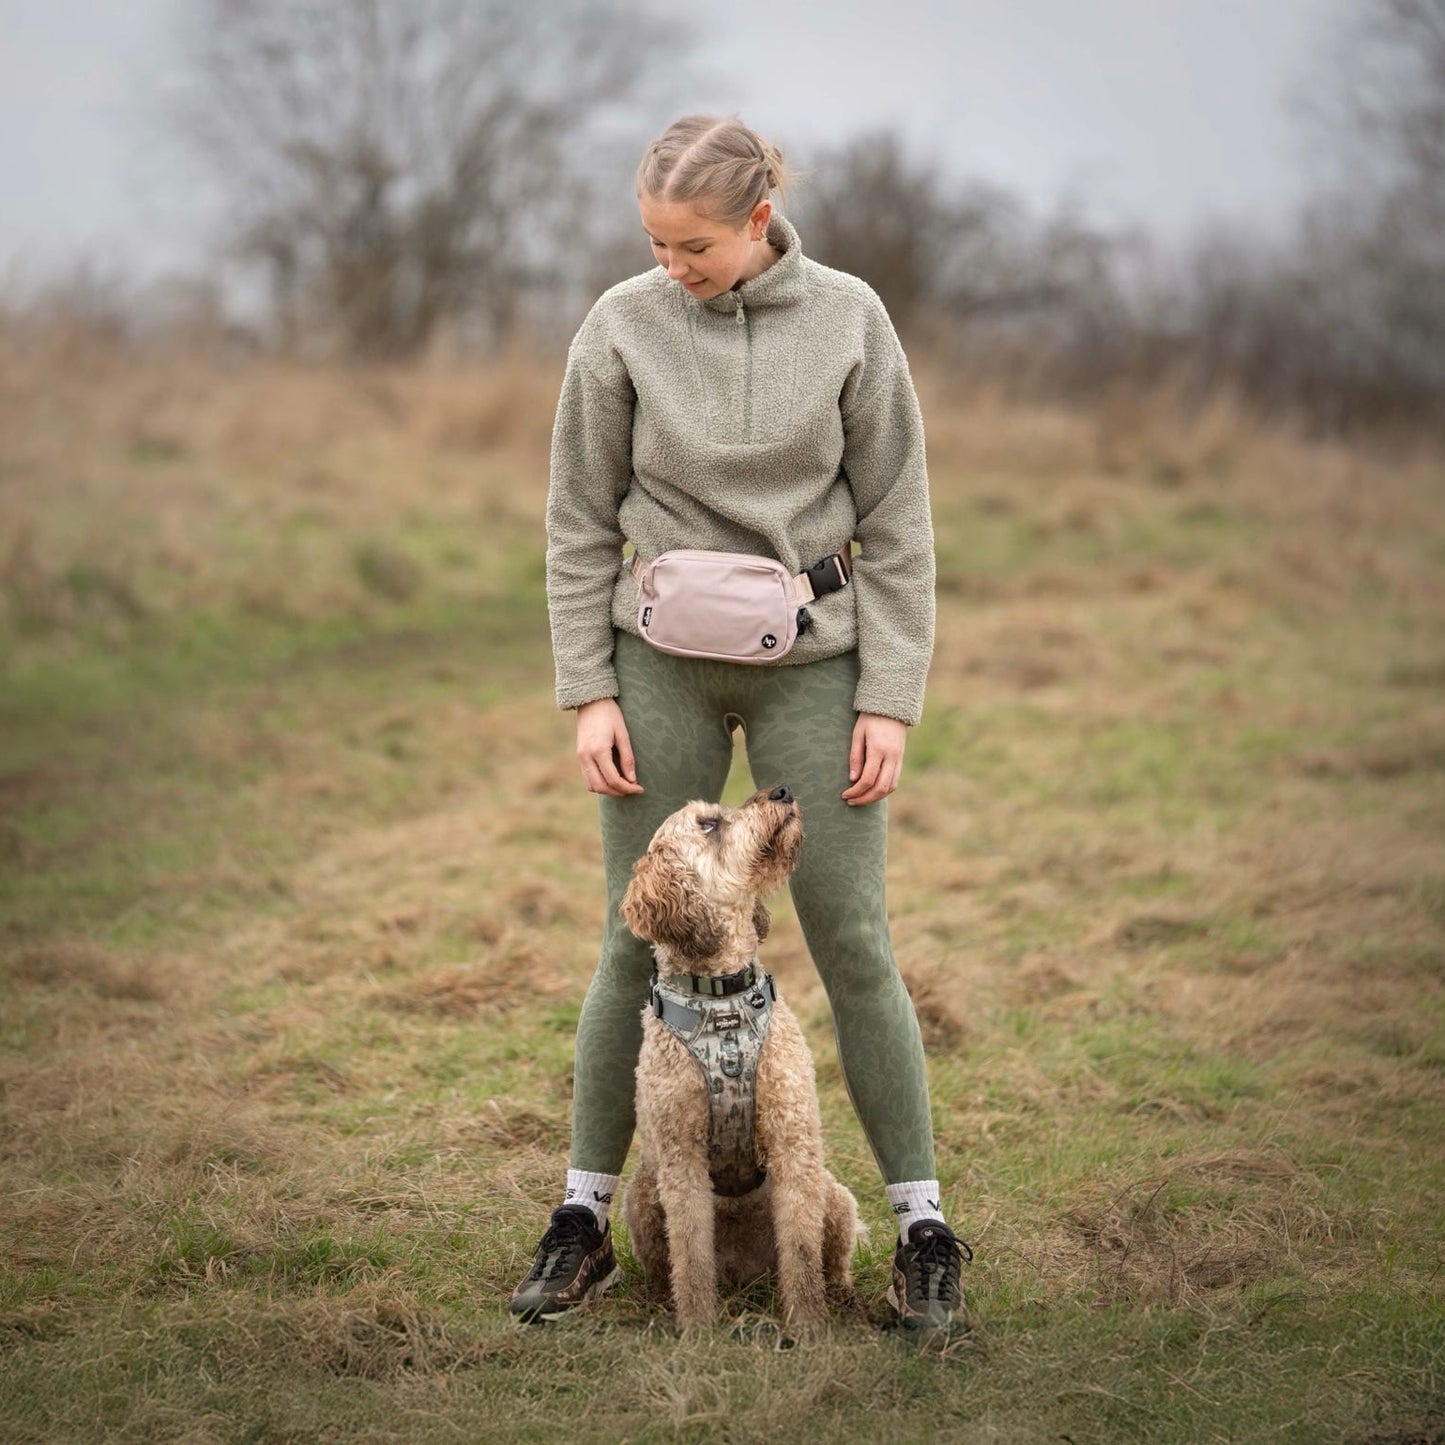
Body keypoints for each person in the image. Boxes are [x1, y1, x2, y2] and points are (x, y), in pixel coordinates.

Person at [508, 114, 969, 1331]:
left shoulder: (852, 319)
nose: (671, 264)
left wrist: (888, 696)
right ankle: (580, 1219)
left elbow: (901, 525)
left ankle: (922, 1226)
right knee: (632, 941)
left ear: (758, 220)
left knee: (854, 937)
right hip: (650, 659)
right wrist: (587, 686)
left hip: (815, 664)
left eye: (693, 243)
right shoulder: (616, 325)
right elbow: (576, 520)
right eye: (654, 242)